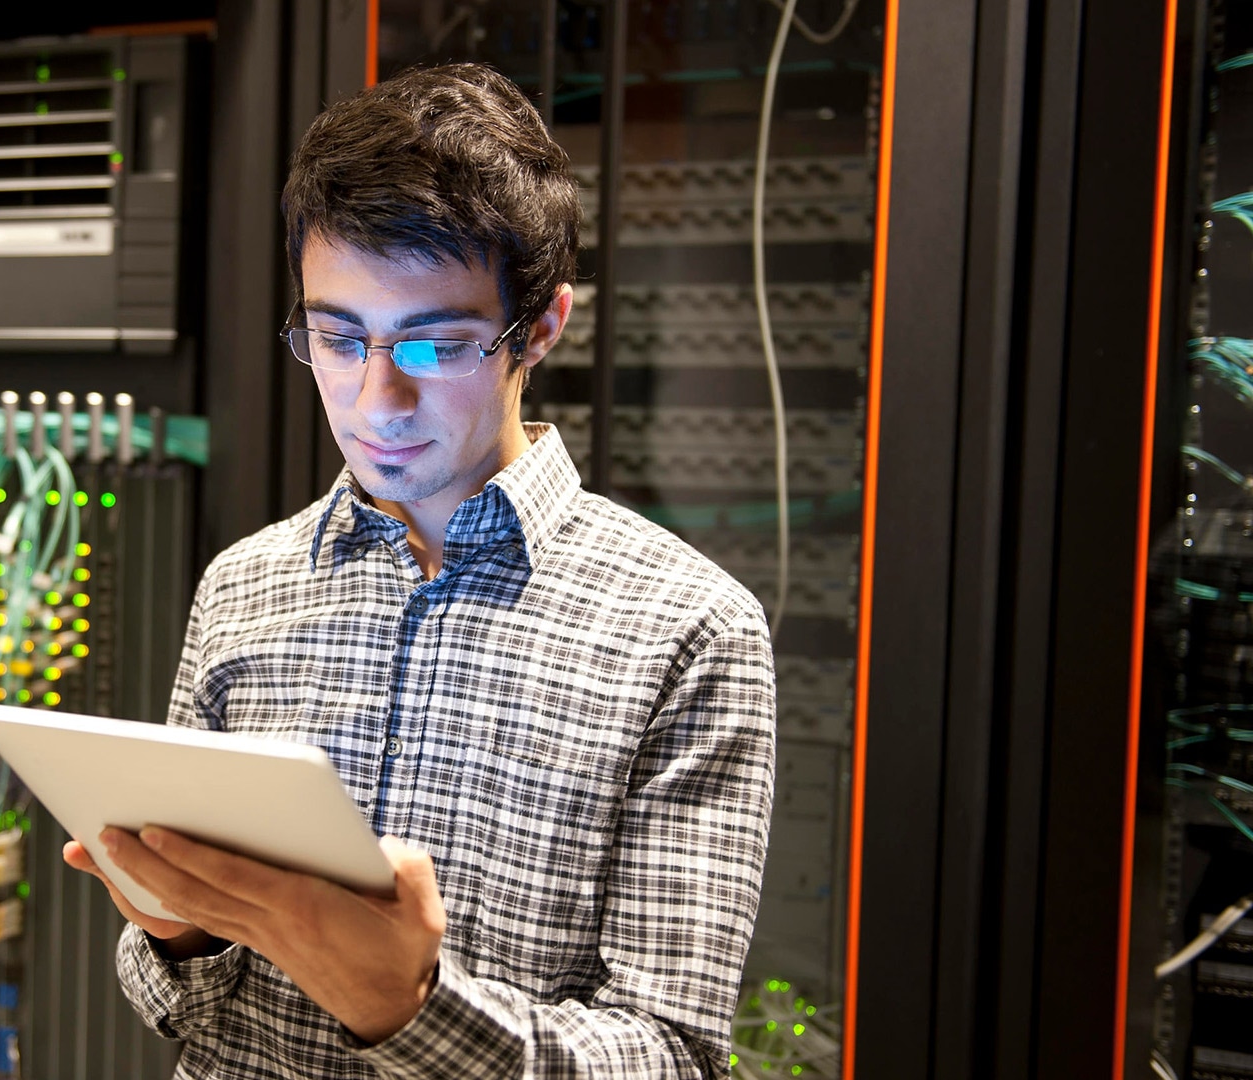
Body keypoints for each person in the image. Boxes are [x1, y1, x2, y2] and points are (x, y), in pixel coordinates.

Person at [62, 62, 775, 1079]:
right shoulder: (243, 587)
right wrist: (181, 931)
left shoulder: (686, 629)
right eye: (335, 336)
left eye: (434, 345)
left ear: (540, 328)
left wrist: (406, 1010)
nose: (375, 399)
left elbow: (673, 1056)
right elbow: (180, 1008)